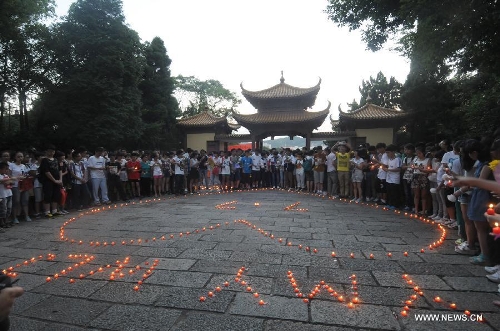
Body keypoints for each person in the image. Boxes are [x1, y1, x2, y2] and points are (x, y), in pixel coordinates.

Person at [39, 145, 62, 218]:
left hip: (57, 180)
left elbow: (60, 170)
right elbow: (46, 171)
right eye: (50, 151)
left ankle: (54, 210)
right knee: (48, 195)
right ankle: (47, 211)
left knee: (56, 195)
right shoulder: (44, 160)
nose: (51, 153)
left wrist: (60, 179)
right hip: (48, 181)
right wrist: (54, 180)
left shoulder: (56, 160)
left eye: (53, 151)